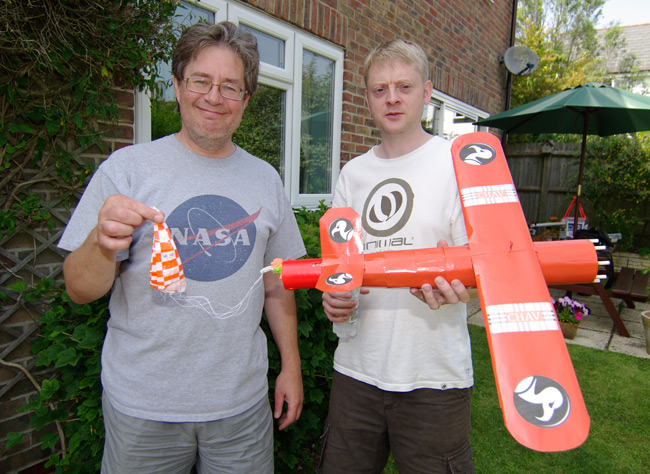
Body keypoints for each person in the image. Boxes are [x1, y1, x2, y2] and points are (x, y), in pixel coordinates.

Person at [59, 22, 305, 473]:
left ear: (246, 100)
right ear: (176, 85)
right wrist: (101, 243)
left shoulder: (266, 180)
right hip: (142, 407)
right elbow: (78, 290)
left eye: (230, 86)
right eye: (200, 81)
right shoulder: (127, 171)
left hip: (241, 407)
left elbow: (278, 283)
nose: (214, 97)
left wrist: (291, 366)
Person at [319, 39, 475, 474]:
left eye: (404, 87)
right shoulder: (353, 174)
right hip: (356, 372)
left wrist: (462, 292)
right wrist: (336, 302)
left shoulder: (457, 164)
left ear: (426, 93)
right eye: (379, 89)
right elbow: (340, 270)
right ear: (366, 97)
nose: (391, 98)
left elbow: (484, 274)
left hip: (434, 377)